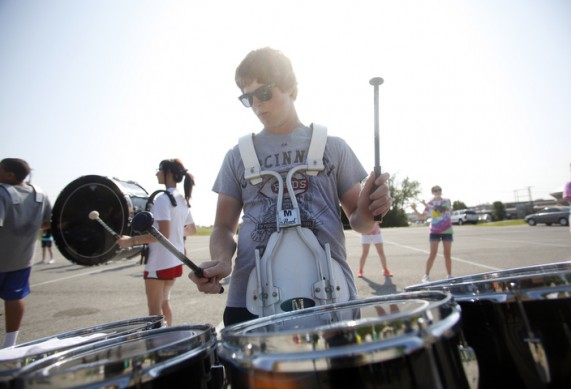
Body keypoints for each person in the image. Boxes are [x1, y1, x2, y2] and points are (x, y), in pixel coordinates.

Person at [188, 47, 392, 326]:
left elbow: (361, 222)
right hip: (250, 299)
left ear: (290, 87)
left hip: (332, 295)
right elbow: (223, 226)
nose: (257, 105)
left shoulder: (334, 147)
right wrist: (222, 260)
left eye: (264, 93)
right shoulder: (236, 156)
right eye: (248, 98)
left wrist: (371, 210)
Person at [117, 159, 196, 326]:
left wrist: (130, 241)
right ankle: (169, 340)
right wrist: (177, 235)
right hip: (175, 262)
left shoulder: (162, 199)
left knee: (154, 311)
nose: (156, 173)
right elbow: (191, 229)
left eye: (159, 170)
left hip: (159, 264)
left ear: (168, 173)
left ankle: (158, 347)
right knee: (164, 302)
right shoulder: (181, 199)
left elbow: (162, 235)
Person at [0, 158, 52, 348]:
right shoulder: (40, 194)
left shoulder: (1, 192)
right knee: (15, 298)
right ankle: (9, 344)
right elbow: (48, 222)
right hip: (22, 259)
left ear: (9, 175)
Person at [411, 185, 453, 283]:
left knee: (447, 254)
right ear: (432, 192)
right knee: (432, 254)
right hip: (434, 231)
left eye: (439, 190)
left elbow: (443, 209)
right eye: (435, 190)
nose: (438, 191)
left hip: (447, 230)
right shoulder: (429, 203)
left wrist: (426, 205)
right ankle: (426, 275)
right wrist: (415, 209)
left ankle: (450, 275)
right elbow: (422, 217)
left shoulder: (446, 201)